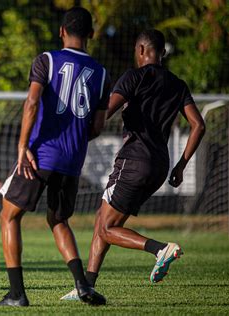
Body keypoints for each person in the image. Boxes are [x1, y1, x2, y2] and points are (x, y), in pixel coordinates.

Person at [61, 29, 206, 300]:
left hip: (133, 161)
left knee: (107, 228)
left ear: (140, 50)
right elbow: (199, 125)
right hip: (161, 165)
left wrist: (75, 131)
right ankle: (86, 286)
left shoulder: (133, 77)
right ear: (161, 52)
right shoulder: (178, 84)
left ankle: (159, 249)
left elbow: (105, 112)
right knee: (103, 221)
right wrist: (181, 165)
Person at [0, 7, 111, 307]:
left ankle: (17, 294)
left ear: (61, 31)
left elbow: (32, 101)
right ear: (91, 35)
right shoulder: (101, 73)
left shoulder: (47, 60)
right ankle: (83, 285)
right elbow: (98, 126)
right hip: (73, 160)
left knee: (9, 215)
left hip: (40, 155)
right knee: (58, 219)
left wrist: (23, 147)